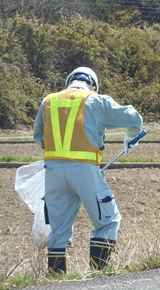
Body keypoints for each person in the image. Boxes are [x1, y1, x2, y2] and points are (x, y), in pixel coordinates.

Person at [33, 67, 143, 274]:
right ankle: (98, 274)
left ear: (68, 83)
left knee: (58, 230)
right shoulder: (95, 100)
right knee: (108, 221)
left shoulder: (48, 101)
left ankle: (56, 280)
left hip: (53, 172)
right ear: (93, 86)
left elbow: (39, 137)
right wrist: (131, 136)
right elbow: (133, 118)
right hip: (85, 170)